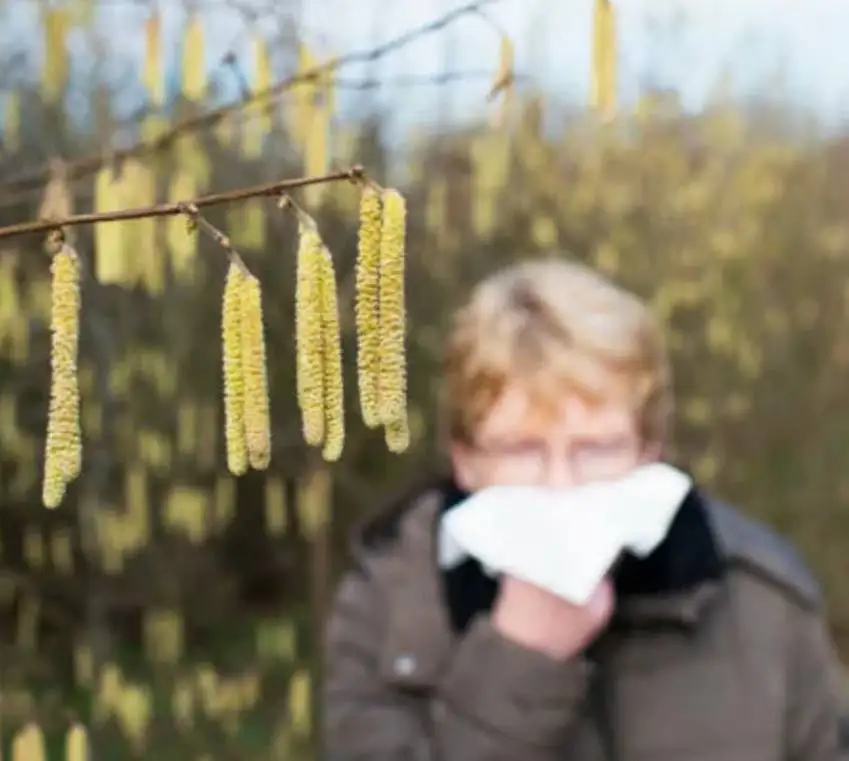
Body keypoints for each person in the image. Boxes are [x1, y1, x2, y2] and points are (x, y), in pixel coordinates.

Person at [323, 258, 847, 760]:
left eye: (595, 450)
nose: (560, 487)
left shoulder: (761, 599)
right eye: (522, 451)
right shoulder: (392, 607)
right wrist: (520, 660)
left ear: (649, 451)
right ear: (466, 460)